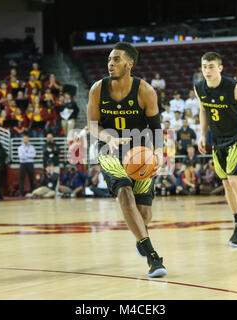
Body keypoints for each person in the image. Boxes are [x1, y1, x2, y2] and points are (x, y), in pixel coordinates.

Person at [86, 42, 167, 278]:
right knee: (124, 192)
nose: (110, 63)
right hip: (110, 150)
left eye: (117, 59)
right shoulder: (97, 89)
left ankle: (141, 235)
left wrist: (160, 153)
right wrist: (106, 138)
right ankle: (153, 256)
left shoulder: (145, 91)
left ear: (129, 64)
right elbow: (92, 125)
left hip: (140, 152)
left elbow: (155, 128)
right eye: (110, 59)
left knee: (144, 213)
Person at [195, 51, 237, 248]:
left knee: (235, 180)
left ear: (220, 68)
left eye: (211, 66)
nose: (207, 70)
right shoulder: (199, 88)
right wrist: (202, 134)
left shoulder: (235, 87)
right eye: (204, 67)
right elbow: (203, 110)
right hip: (217, 139)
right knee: (226, 184)